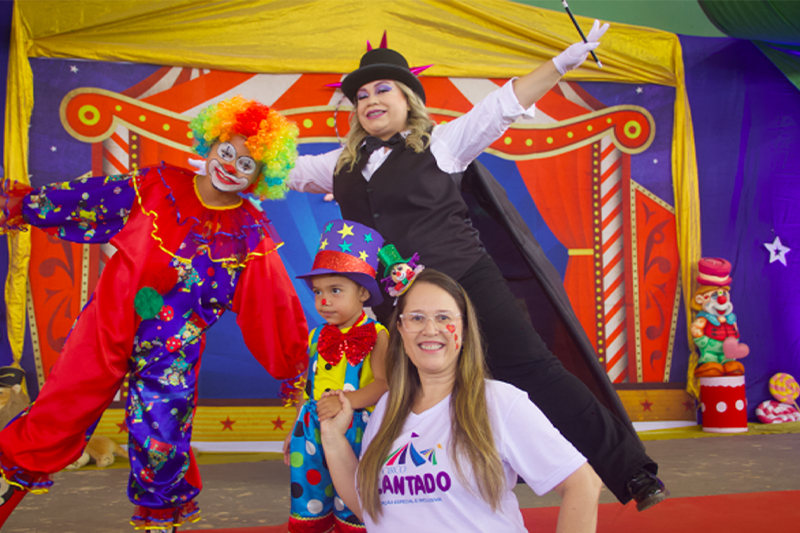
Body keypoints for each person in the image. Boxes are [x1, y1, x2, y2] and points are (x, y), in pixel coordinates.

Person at [288, 23, 668, 510]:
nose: (370, 99)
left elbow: (501, 106)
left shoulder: (442, 144)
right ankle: (416, 498)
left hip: (468, 282)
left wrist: (559, 64)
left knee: (537, 372)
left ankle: (633, 473)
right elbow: (287, 172)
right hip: (403, 304)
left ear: (408, 99)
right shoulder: (339, 166)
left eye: (383, 89)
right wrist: (227, 165)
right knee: (418, 395)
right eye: (361, 95)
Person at [0, 96, 309, 532]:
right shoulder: (158, 184)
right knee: (60, 410)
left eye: (247, 164)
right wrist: (29, 205)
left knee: (162, 438)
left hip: (173, 347)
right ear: (211, 144)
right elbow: (95, 198)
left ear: (261, 177)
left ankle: (160, 523)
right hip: (110, 320)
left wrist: (295, 367)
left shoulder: (250, 236)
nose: (230, 166)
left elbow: (272, 307)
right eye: (227, 151)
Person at [320, 269, 602, 532]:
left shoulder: (499, 401)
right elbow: (369, 508)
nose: (430, 329)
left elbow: (583, 483)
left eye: (444, 317)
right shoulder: (387, 409)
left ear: (464, 331)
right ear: (401, 332)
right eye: (416, 318)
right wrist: (333, 439)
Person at [284, 219, 389, 532]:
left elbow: (384, 384)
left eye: (335, 290)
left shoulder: (377, 334)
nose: (324, 300)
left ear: (363, 294)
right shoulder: (317, 335)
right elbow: (310, 386)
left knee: (351, 491)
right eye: (318, 292)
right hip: (312, 425)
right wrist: (294, 429)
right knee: (310, 491)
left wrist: (345, 402)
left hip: (356, 426)